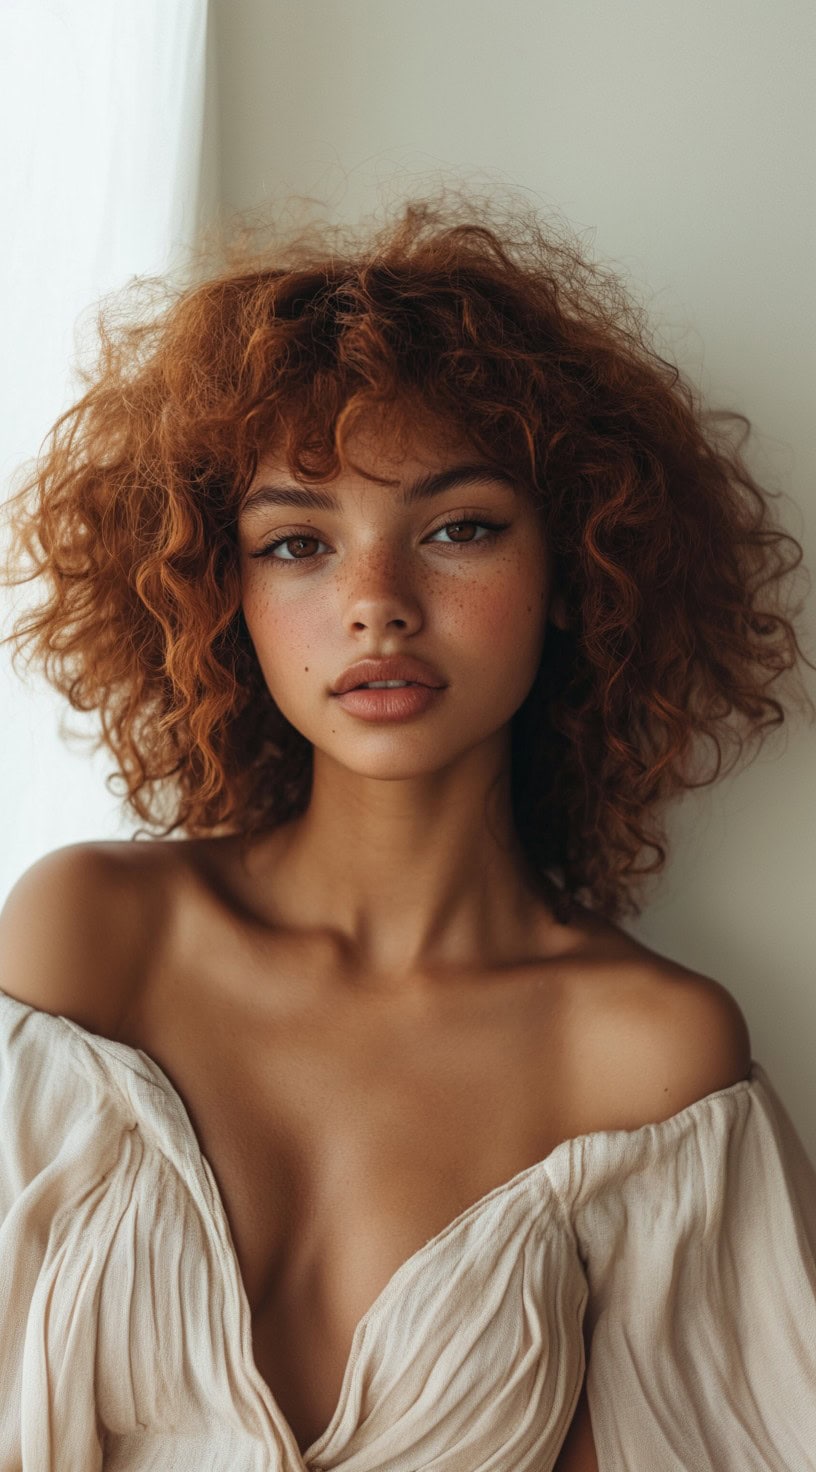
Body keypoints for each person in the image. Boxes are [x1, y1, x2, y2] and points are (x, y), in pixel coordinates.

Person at [1, 187, 815, 1471]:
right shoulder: (90, 947)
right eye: (296, 544)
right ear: (225, 595)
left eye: (459, 528)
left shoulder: (645, 1062)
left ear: (575, 571)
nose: (375, 603)